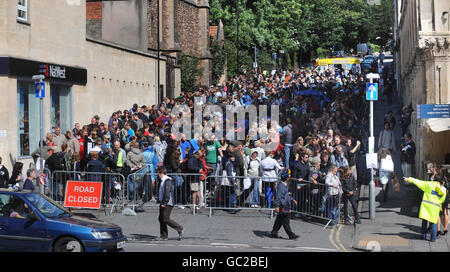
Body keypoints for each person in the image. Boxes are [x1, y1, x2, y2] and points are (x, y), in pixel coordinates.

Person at [404, 176, 447, 242]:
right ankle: (433, 239)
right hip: (435, 208)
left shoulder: (429, 184)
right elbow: (442, 200)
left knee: (424, 221)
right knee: (433, 223)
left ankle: (423, 236)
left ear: (434, 180)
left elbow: (418, 182)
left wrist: (408, 179)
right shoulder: (444, 190)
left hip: (426, 206)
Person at [156, 166, 184, 241]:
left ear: (161, 173)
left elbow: (167, 192)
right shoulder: (162, 180)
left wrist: (164, 202)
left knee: (165, 218)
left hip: (168, 202)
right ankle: (164, 235)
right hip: (163, 201)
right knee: (161, 218)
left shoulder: (167, 180)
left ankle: (180, 228)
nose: (157, 175)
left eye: (158, 173)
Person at [270, 171, 299, 240]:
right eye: (289, 177)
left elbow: (286, 195)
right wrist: (276, 206)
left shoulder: (283, 185)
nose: (290, 177)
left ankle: (274, 232)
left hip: (284, 204)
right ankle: (291, 235)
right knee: (286, 221)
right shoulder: (281, 186)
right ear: (287, 178)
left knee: (279, 220)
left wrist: (292, 199)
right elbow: (278, 197)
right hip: (283, 206)